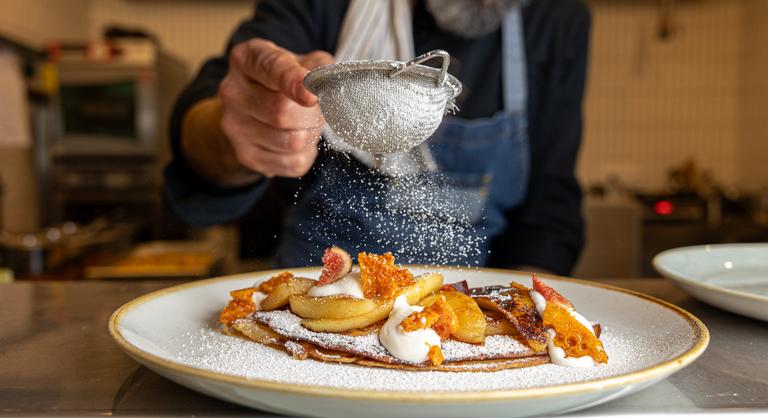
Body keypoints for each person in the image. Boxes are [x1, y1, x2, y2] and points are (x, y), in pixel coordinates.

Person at [165, 0, 590, 275]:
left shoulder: (556, 18)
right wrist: (237, 133)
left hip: (467, 306)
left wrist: (522, 317)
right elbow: (208, 126)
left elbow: (548, 208)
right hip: (312, 290)